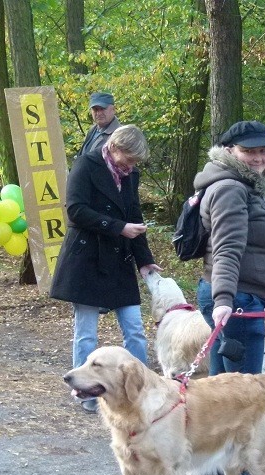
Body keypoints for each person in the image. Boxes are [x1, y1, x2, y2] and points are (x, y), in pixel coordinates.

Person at [193, 120, 265, 475]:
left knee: (219, 392)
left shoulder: (242, 185)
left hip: (242, 298)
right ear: (230, 151)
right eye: (250, 151)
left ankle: (215, 469)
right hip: (236, 301)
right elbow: (227, 250)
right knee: (245, 400)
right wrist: (224, 303)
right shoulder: (232, 189)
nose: (259, 156)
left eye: (263, 150)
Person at [50, 125, 160, 413]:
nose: (132, 165)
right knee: (86, 331)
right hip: (86, 259)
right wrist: (118, 227)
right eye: (129, 158)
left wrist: (144, 259)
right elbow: (75, 210)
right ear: (114, 147)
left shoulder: (131, 175)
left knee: (135, 328)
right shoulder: (87, 164)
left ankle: (144, 389)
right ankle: (86, 392)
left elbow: (134, 217)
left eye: (136, 161)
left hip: (119, 260)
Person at [77, 92, 121, 157]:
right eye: (95, 109)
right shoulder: (92, 130)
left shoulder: (120, 135)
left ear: (113, 109)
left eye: (103, 109)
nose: (99, 113)